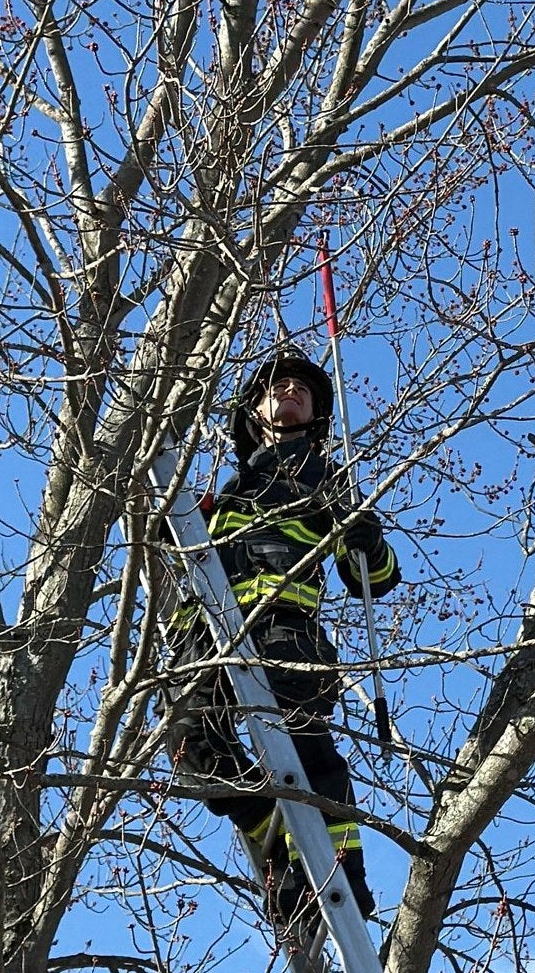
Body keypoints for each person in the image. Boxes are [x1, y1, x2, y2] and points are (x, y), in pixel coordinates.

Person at [167, 348, 401, 925]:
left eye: (302, 387)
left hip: (283, 629)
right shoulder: (223, 494)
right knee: (192, 749)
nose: (290, 390)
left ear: (318, 411)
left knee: (304, 745)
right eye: (277, 385)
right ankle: (281, 851)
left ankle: (341, 869)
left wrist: (366, 536)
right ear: (255, 408)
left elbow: (374, 578)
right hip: (207, 639)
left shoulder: (324, 475)